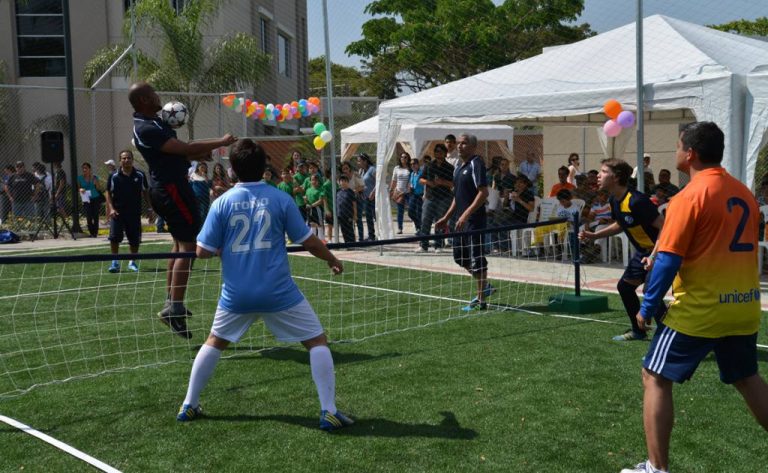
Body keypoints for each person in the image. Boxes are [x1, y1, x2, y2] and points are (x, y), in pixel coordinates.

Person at [620, 122, 768, 473]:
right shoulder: (744, 193)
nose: (676, 151)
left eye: (678, 146)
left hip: (701, 309)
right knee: (747, 377)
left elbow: (669, 258)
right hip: (744, 305)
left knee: (654, 375)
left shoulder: (689, 196)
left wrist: (648, 306)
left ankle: (656, 468)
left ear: (690, 154)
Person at [176, 139, 353, 431]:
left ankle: (189, 404)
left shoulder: (222, 202)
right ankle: (328, 411)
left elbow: (202, 252)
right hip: (278, 292)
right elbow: (307, 240)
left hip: (237, 294)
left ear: (232, 169)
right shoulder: (279, 199)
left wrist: (225, 248)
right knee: (316, 341)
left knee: (215, 342)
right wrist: (331, 259)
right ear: (265, 168)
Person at [129, 81, 237, 338]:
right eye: (153, 94)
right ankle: (174, 307)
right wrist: (220, 141)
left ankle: (172, 302)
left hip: (169, 187)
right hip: (171, 189)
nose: (158, 97)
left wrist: (193, 156)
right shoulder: (146, 127)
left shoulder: (153, 124)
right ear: (144, 100)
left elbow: (177, 154)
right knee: (189, 247)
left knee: (179, 245)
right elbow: (185, 148)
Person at [579, 159, 664, 341]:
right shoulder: (614, 200)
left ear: (616, 177)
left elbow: (665, 228)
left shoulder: (637, 201)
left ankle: (666, 339)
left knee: (652, 294)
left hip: (660, 252)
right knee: (625, 287)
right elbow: (620, 224)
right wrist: (593, 236)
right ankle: (638, 331)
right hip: (643, 253)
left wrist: (655, 255)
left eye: (603, 171)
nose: (598, 176)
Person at [435, 134, 493, 311]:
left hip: (473, 221)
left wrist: (466, 214)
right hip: (459, 221)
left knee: (477, 258)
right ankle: (486, 287)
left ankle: (481, 300)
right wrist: (446, 217)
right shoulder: (458, 167)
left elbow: (483, 193)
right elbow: (457, 196)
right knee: (459, 257)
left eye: (464, 143)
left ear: (473, 147)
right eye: (459, 143)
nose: (460, 146)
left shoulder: (477, 163)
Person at [105, 150, 152, 273]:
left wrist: (149, 208)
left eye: (129, 158)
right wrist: (111, 208)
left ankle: (132, 262)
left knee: (134, 239)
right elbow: (108, 192)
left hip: (134, 213)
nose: (126, 160)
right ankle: (115, 262)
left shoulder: (140, 175)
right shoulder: (114, 176)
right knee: (114, 237)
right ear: (120, 161)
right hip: (118, 213)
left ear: (132, 159)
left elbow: (145, 192)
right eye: (124, 158)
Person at [419, 143, 454, 252]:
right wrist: (429, 182)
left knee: (440, 222)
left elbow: (453, 184)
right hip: (430, 197)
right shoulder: (428, 165)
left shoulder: (450, 167)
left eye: (440, 151)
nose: (438, 153)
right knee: (425, 220)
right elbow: (420, 179)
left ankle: (439, 245)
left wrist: (442, 182)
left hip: (443, 198)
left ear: (445, 153)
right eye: (436, 151)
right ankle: (423, 245)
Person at [77, 162, 104, 237]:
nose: (84, 169)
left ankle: (95, 233)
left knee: (95, 216)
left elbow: (99, 188)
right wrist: (81, 189)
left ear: (89, 169)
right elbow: (78, 188)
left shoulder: (95, 177)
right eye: (83, 168)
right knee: (88, 216)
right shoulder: (79, 178)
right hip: (86, 198)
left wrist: (96, 183)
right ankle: (91, 232)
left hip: (95, 197)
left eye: (86, 168)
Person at [390, 152, 412, 234]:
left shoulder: (410, 168)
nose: (403, 158)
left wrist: (407, 190)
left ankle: (417, 226)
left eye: (405, 157)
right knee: (400, 211)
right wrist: (391, 190)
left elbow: (411, 181)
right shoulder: (397, 168)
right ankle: (400, 228)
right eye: (402, 157)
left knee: (411, 210)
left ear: (408, 158)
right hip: (399, 191)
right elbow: (394, 180)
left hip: (408, 192)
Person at [357, 153, 376, 241]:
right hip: (366, 198)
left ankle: (380, 234)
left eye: (359, 161)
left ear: (365, 161)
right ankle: (371, 236)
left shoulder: (372, 169)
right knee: (368, 217)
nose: (358, 163)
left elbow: (379, 182)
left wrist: (373, 192)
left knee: (376, 216)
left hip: (374, 197)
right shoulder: (361, 171)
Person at [336, 174, 357, 243]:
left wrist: (355, 215)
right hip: (340, 214)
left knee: (349, 229)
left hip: (348, 214)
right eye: (341, 181)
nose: (343, 182)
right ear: (339, 182)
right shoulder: (338, 191)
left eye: (345, 181)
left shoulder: (350, 192)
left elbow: (354, 204)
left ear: (348, 182)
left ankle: (352, 243)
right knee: (343, 229)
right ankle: (346, 242)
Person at [407, 158, 424, 234]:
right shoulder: (412, 174)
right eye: (411, 164)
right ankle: (418, 226)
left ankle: (420, 229)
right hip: (413, 194)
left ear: (418, 164)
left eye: (414, 164)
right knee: (410, 212)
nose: (412, 165)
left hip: (420, 195)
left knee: (419, 213)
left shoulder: (421, 173)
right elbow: (411, 183)